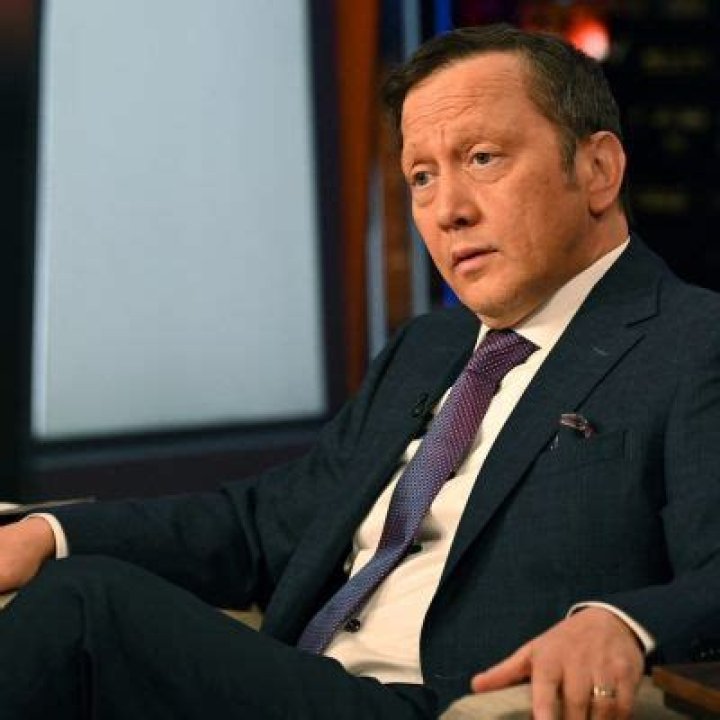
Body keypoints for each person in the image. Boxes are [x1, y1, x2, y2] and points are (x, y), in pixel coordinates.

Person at [2, 23, 720, 720]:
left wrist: (626, 623)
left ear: (597, 171)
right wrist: (49, 533)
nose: (448, 211)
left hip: (447, 702)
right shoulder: (429, 347)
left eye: (482, 159)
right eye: (422, 177)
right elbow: (262, 527)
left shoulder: (692, 343)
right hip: (309, 682)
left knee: (84, 609)